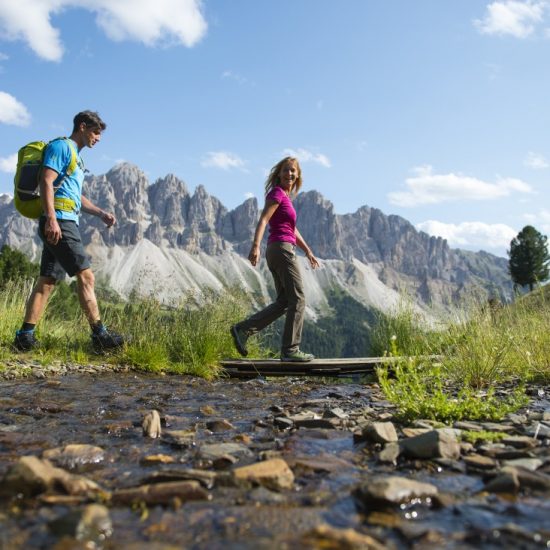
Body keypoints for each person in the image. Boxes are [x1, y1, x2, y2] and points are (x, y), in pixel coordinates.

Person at [13, 110, 124, 353]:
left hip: (63, 220)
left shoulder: (75, 156)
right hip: (60, 222)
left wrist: (100, 212)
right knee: (86, 276)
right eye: (95, 132)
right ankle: (100, 336)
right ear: (82, 127)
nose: (98, 138)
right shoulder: (63, 147)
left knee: (47, 281)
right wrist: (51, 219)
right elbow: (46, 180)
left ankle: (24, 337)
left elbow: (75, 194)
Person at [230, 156, 320, 362]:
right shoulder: (277, 193)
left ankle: (243, 330)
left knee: (284, 301)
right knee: (298, 298)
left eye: (293, 171)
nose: (290, 174)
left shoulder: (286, 198)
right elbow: (264, 219)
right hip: (281, 249)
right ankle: (290, 350)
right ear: (279, 174)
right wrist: (255, 246)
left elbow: (292, 229)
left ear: (298, 176)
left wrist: (308, 251)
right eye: (286, 170)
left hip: (280, 248)